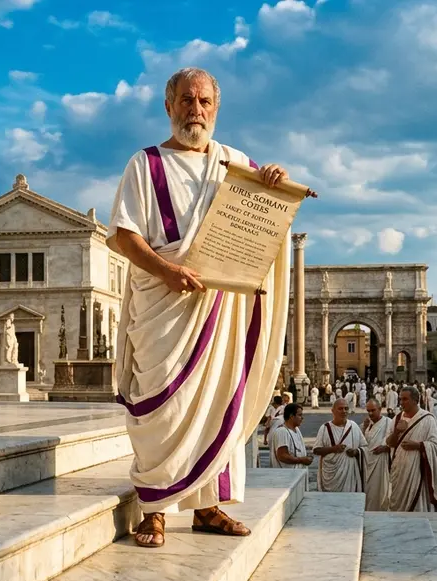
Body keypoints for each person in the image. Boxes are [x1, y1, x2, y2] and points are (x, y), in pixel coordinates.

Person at [108, 68, 292, 549]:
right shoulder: (144, 165)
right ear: (168, 106)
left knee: (215, 399)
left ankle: (208, 507)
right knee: (163, 404)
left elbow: (264, 217)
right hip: (162, 305)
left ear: (217, 107)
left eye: (205, 101)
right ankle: (154, 509)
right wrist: (167, 272)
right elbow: (124, 235)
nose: (196, 109)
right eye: (187, 100)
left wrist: (273, 181)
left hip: (219, 309)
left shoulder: (235, 164)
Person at [385, 389, 437, 512]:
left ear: (415, 400)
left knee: (417, 507)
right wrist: (397, 431)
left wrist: (419, 445)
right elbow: (389, 443)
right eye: (400, 399)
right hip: (399, 471)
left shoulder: (428, 419)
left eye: (405, 399)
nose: (401, 402)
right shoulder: (397, 419)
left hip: (418, 473)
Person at [313, 398, 365, 493]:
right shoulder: (325, 428)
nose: (344, 411)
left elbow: (365, 447)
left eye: (346, 408)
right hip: (329, 476)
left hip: (349, 475)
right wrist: (333, 449)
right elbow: (316, 450)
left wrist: (356, 451)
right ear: (333, 411)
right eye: (340, 409)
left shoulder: (353, 426)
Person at [359, 399, 394, 511]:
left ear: (380, 409)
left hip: (381, 465)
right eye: (368, 411)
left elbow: (395, 442)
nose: (370, 413)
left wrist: (386, 448)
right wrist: (364, 428)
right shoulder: (366, 424)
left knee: (380, 492)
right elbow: (362, 443)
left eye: (373, 410)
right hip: (367, 465)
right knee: (369, 493)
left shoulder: (388, 423)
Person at [270, 403, 312, 469]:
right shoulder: (282, 431)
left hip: (298, 474)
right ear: (291, 416)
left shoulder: (296, 429)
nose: (302, 418)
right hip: (287, 476)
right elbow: (282, 456)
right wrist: (301, 460)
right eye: (299, 415)